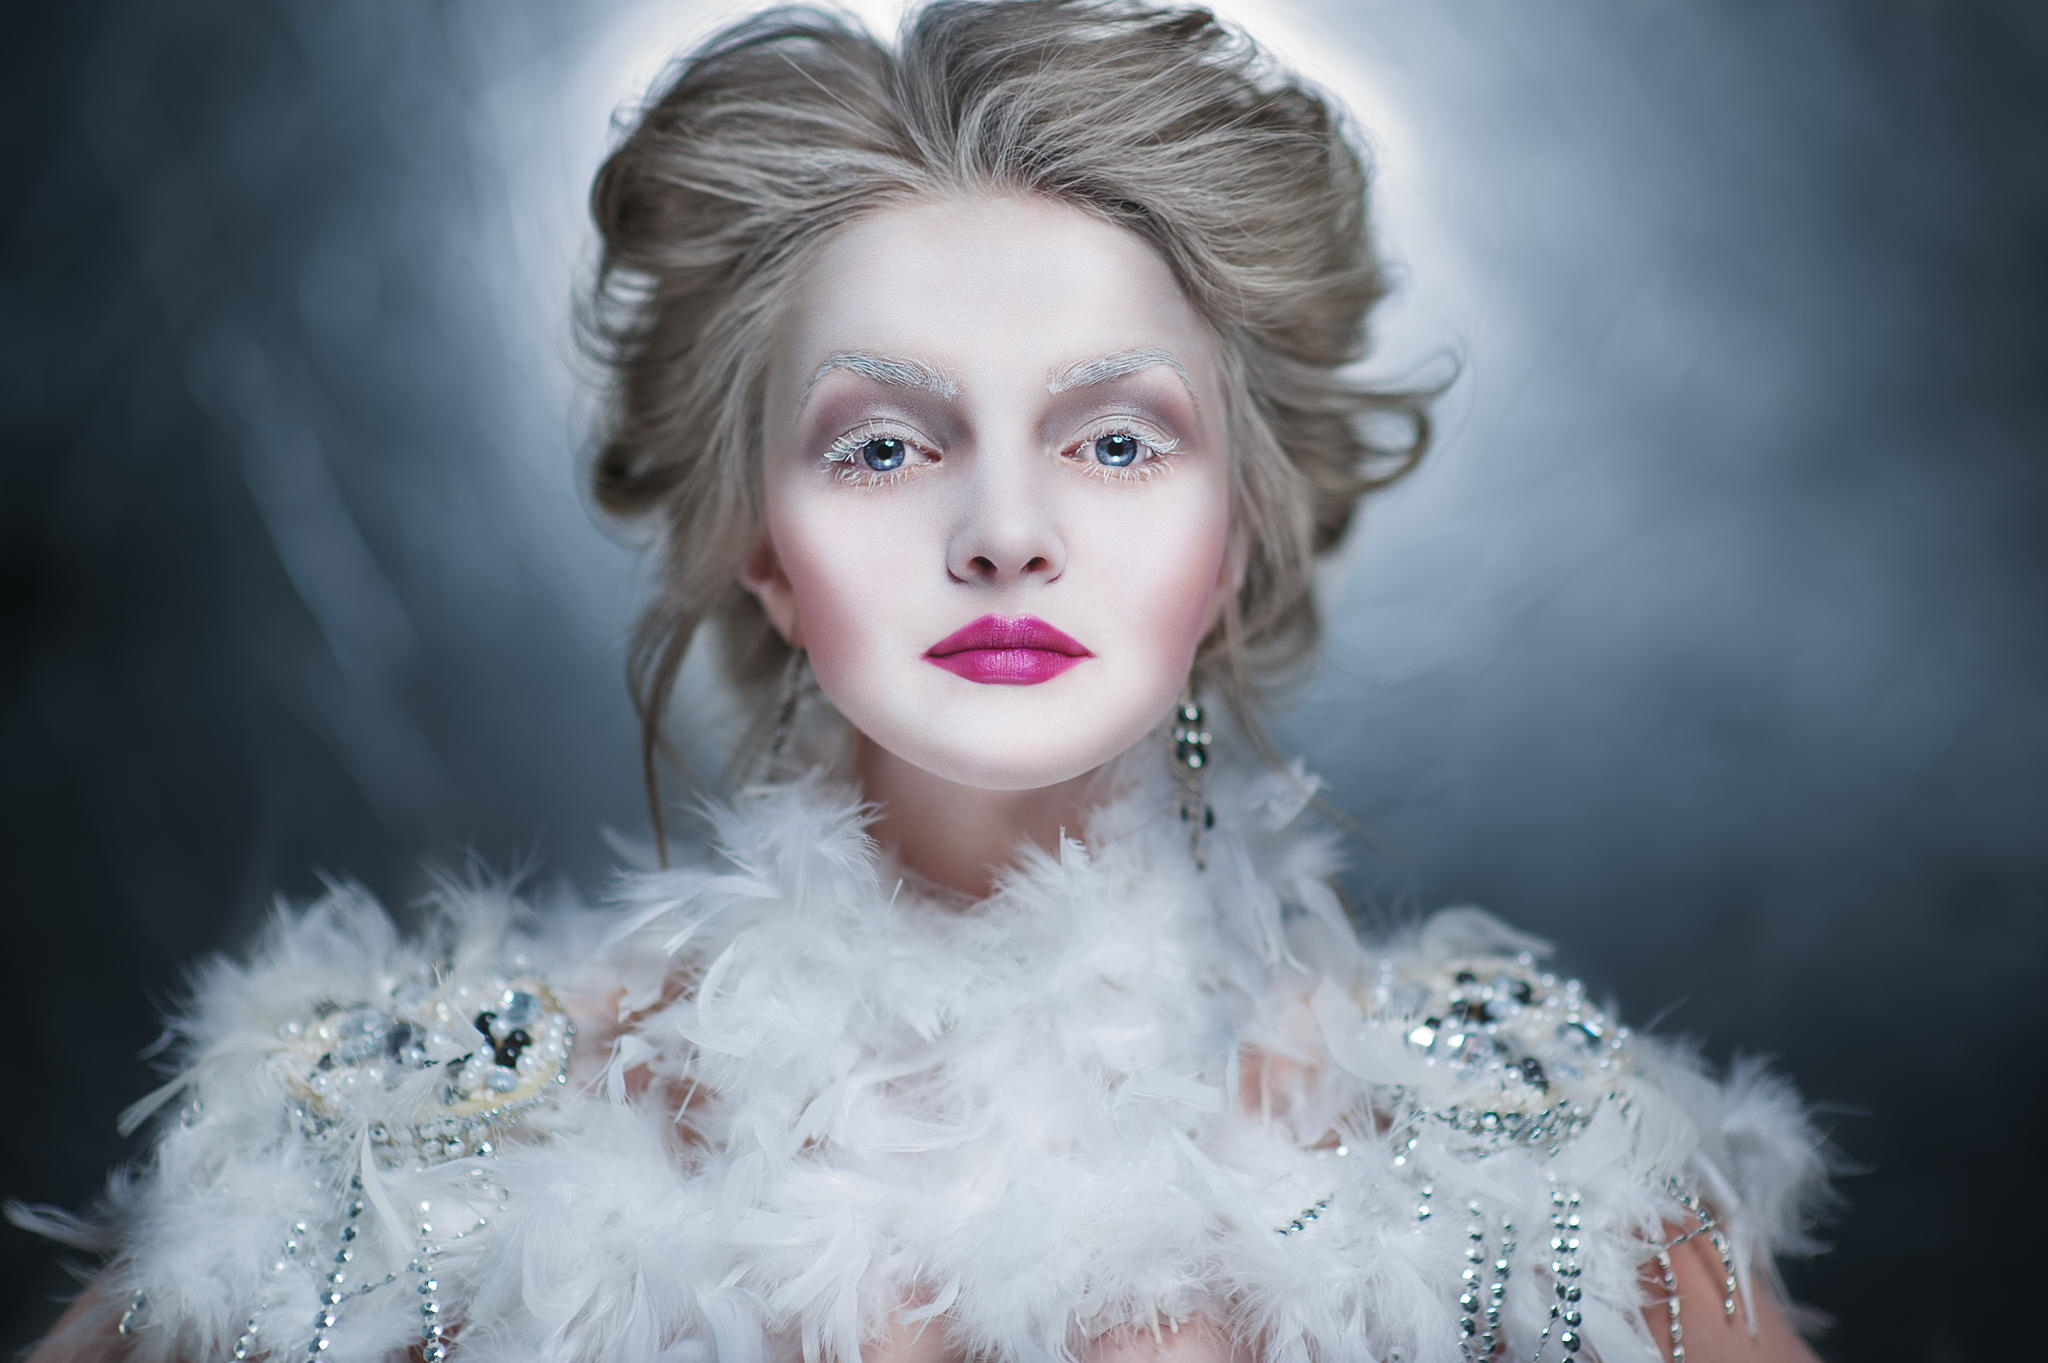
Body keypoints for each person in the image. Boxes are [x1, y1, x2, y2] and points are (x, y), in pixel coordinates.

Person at [15, 1, 1833, 1359]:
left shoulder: (1531, 1180)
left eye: (1116, 441)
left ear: (1234, 537)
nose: (1007, 532)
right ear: (761, 543)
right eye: (883, 446)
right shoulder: (399, 1159)